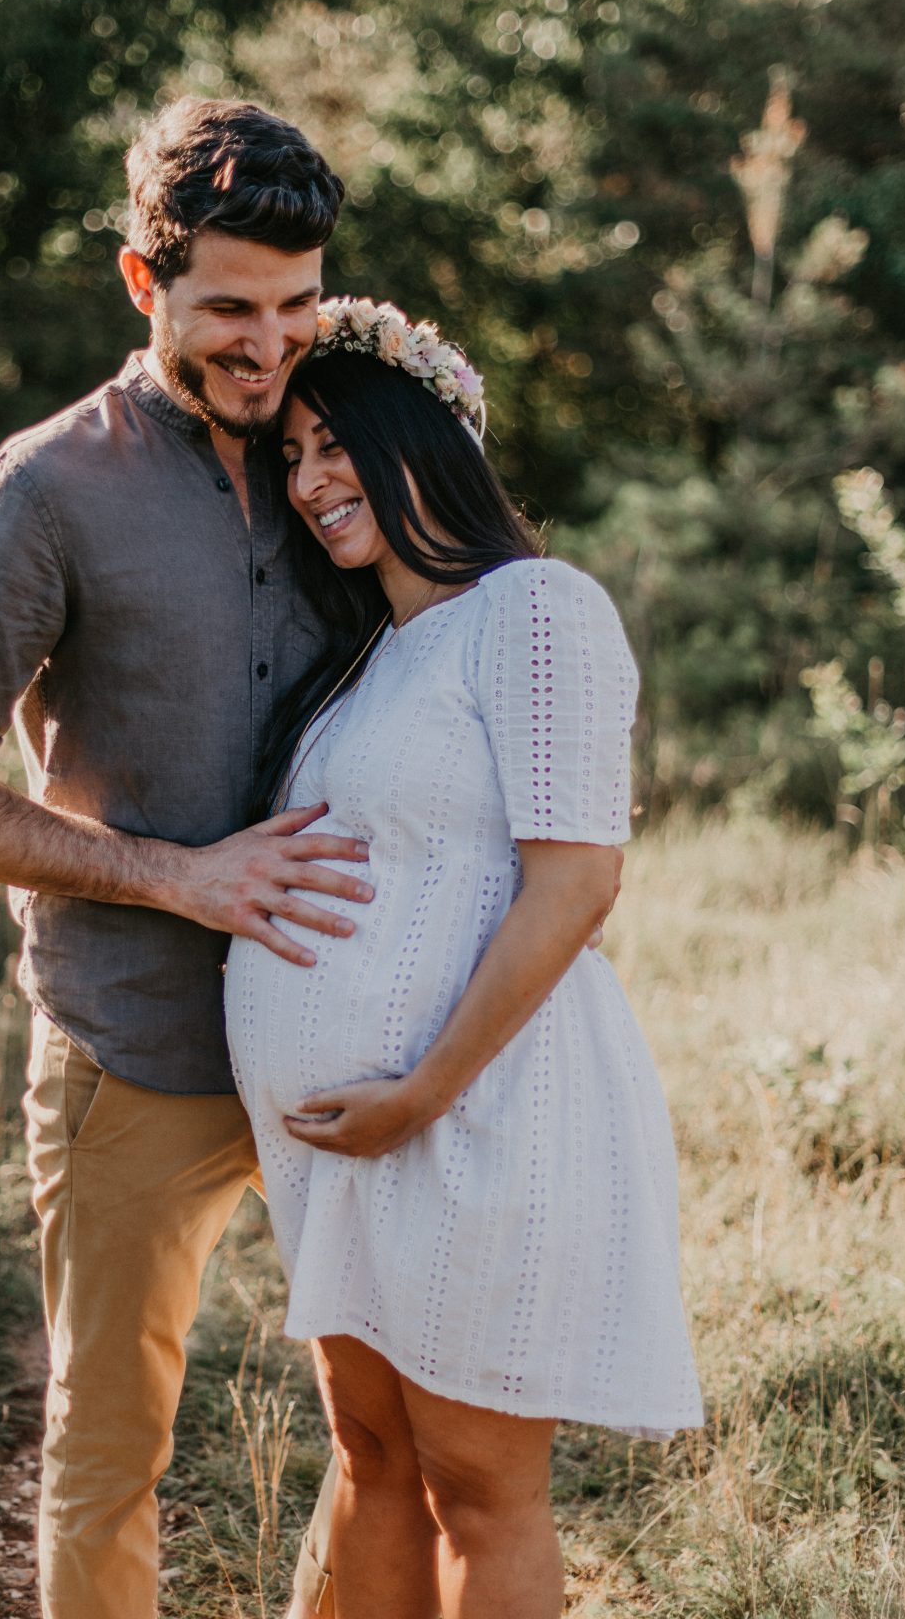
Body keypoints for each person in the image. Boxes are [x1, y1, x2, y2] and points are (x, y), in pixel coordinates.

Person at [0, 97, 363, 1618]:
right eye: (228, 308)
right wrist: (178, 876)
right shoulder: (41, 491)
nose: (268, 344)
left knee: (397, 1424)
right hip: (136, 1047)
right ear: (145, 286)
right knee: (111, 1449)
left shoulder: (351, 435)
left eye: (298, 305)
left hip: (352, 1032)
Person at [225, 299, 703, 1619]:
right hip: (354, 1147)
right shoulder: (373, 657)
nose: (313, 481)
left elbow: (578, 882)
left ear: (421, 440)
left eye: (336, 446)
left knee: (480, 1490)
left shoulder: (535, 608)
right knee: (372, 1459)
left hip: (483, 1115)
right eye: (295, 458)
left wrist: (422, 1091)